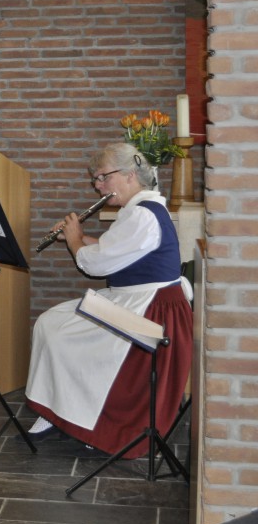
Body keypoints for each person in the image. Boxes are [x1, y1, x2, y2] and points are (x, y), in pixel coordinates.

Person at [24, 142, 192, 458]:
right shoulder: (140, 211)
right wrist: (77, 239)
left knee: (57, 330)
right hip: (137, 301)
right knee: (53, 323)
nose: (98, 186)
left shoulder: (143, 215)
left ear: (130, 175)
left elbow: (96, 264)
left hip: (150, 311)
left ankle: (86, 418)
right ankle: (58, 408)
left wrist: (75, 239)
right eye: (96, 180)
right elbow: (113, 250)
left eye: (102, 177)